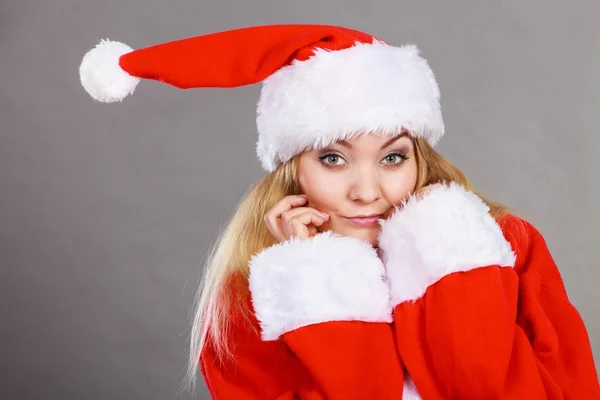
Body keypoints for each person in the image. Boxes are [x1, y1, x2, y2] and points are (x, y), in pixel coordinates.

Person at [79, 24, 600, 399]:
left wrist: (450, 266)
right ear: (293, 171)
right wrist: (321, 286)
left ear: (421, 158)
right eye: (333, 158)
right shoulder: (253, 297)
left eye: (393, 157)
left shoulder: (502, 245)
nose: (367, 190)